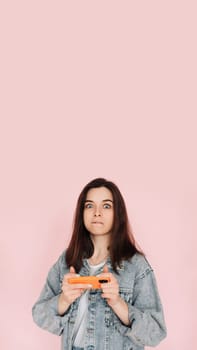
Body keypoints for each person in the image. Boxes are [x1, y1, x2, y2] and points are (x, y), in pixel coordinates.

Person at [32, 178, 167, 350]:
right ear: (82, 212)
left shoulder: (136, 265)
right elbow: (39, 314)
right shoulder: (67, 260)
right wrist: (64, 299)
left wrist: (117, 302)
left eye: (106, 206)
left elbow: (156, 333)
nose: (97, 212)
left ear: (117, 213)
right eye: (89, 206)